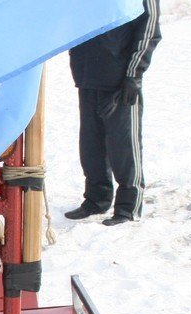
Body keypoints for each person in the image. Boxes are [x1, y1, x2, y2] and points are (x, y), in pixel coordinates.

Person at [65, 0, 161, 226]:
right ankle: (96, 200)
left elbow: (149, 27)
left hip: (120, 81)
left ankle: (128, 207)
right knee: (91, 145)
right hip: (87, 75)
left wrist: (134, 74)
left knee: (124, 147)